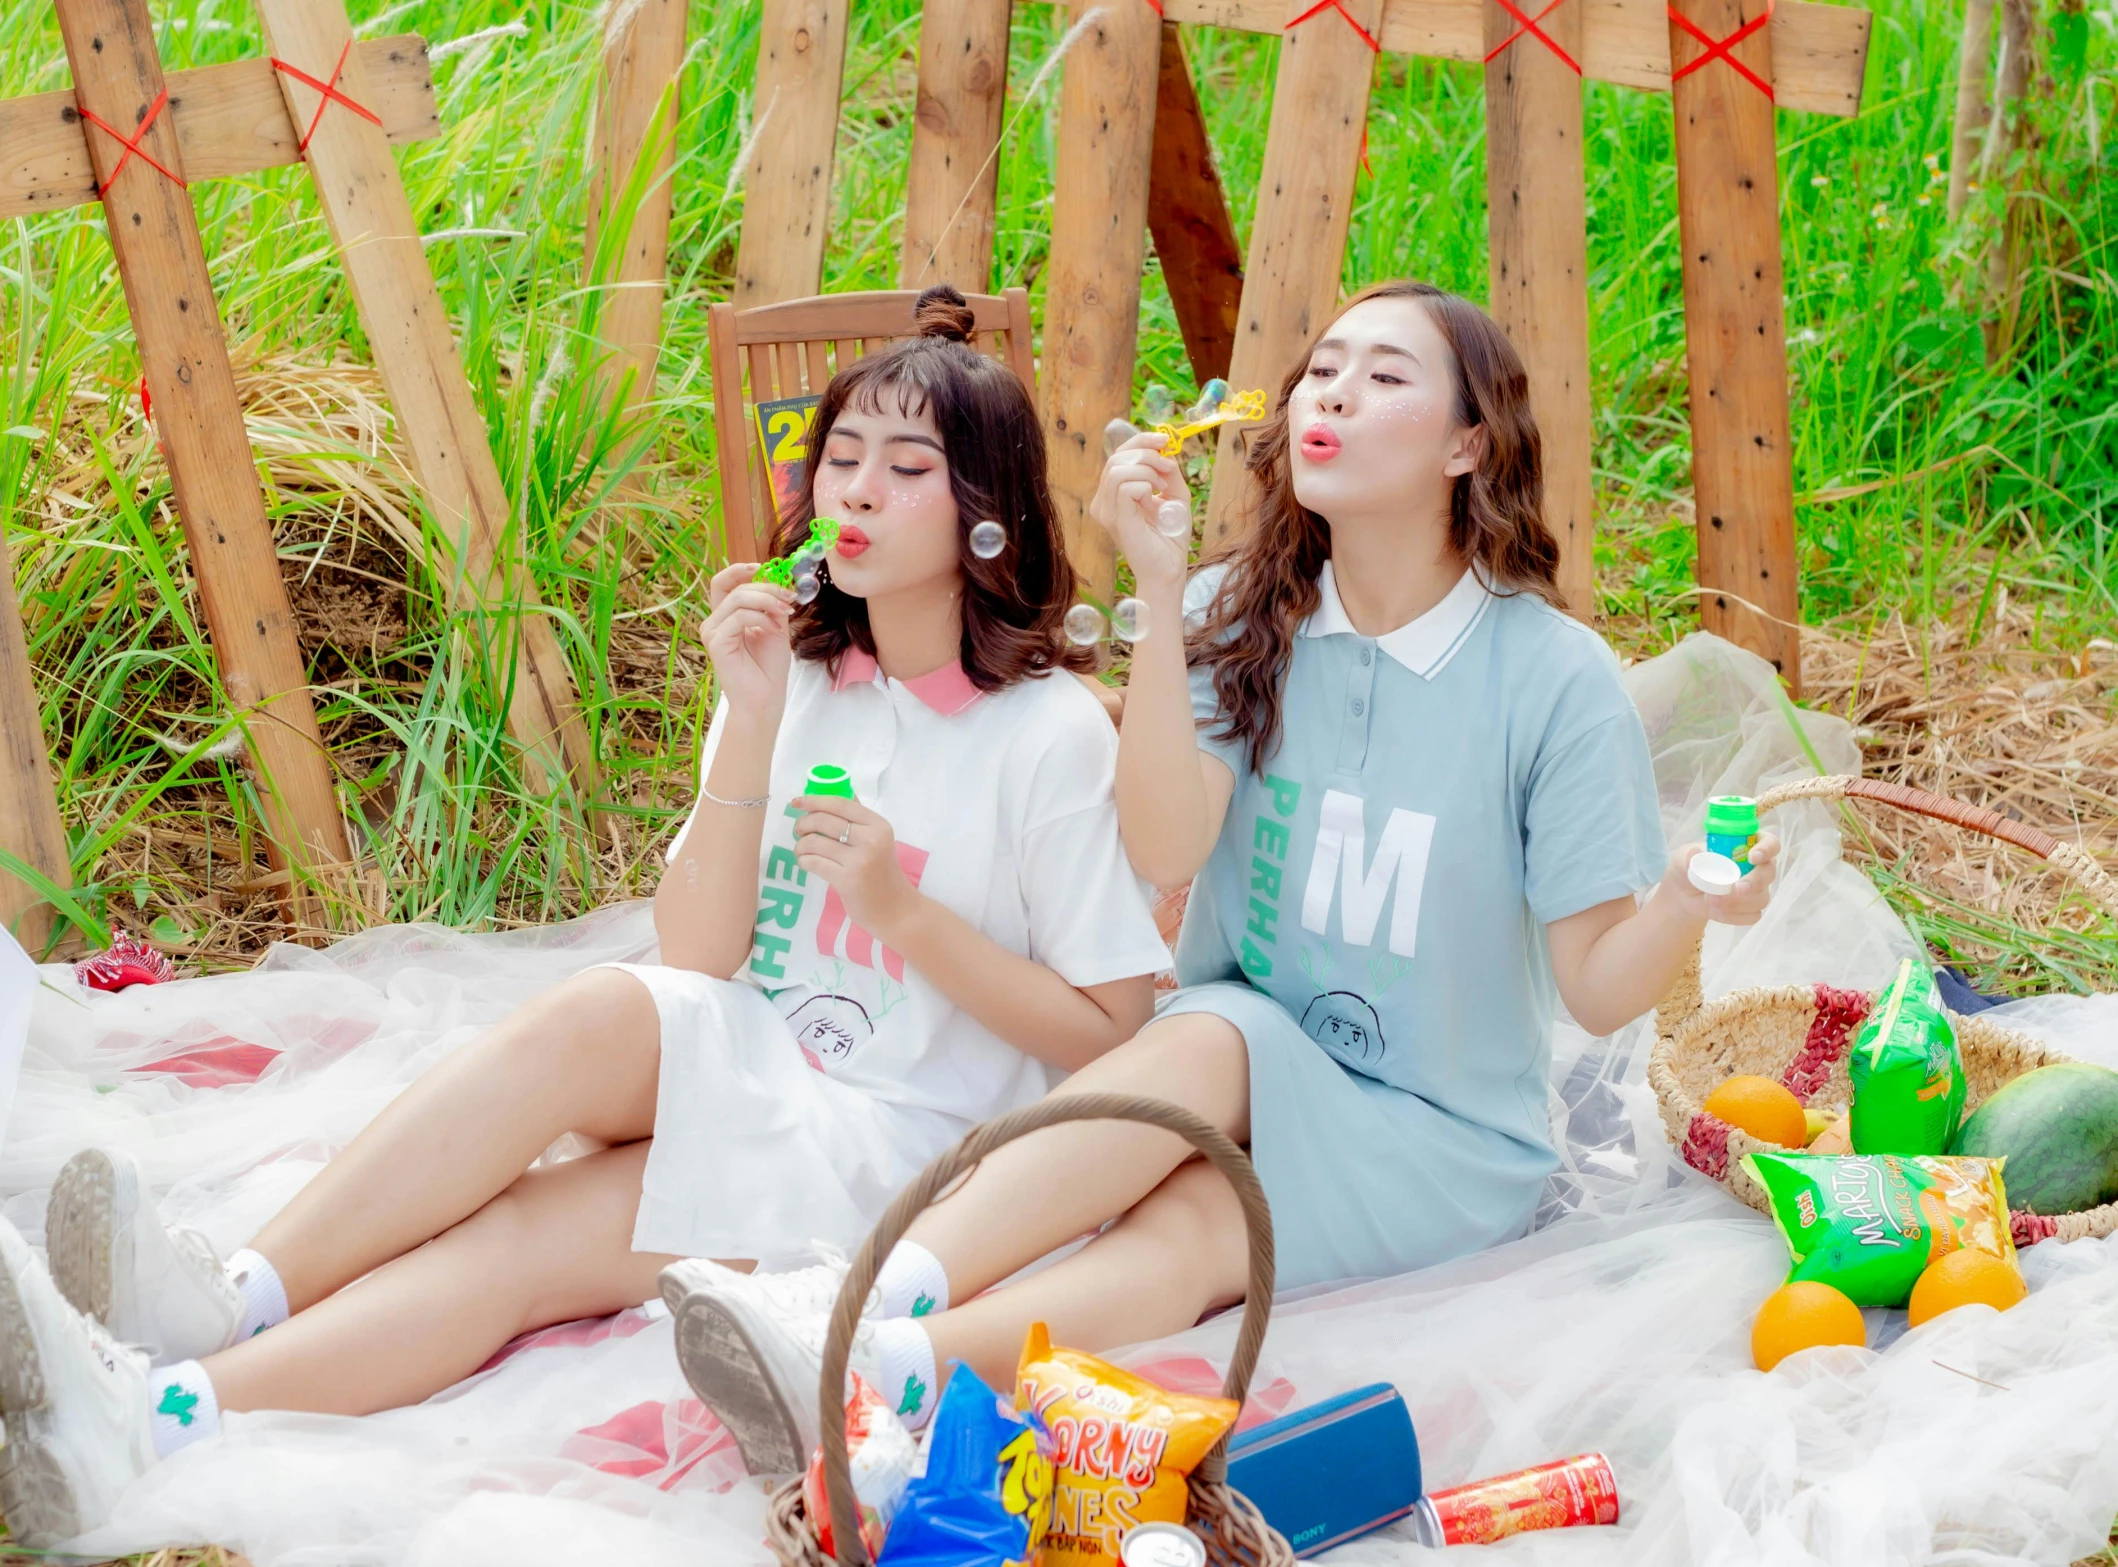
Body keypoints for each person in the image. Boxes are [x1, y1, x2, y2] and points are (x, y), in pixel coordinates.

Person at [0, 286, 1173, 1544]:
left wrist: (903, 917)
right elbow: (698, 955)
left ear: (987, 523)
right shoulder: (798, 677)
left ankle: (154, 1420)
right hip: (763, 1058)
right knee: (595, 1010)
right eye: (838, 455)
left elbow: (1115, 1034)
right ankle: (230, 1295)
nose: (852, 490)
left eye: (906, 468)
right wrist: (746, 724)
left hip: (891, 1142)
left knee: (526, 1239)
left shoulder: (1046, 734)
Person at [665, 280, 1781, 1462]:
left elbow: (1599, 992)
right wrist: (1155, 586)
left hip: (1432, 1137)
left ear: (1469, 443)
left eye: (1385, 376)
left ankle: (852, 1291)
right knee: (1194, 1235)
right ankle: (866, 1367)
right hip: (1227, 1101)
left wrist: (1683, 898)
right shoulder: (1230, 613)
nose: (1333, 392)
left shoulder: (1554, 680)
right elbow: (1164, 849)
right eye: (1324, 368)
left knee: (1218, 1031)